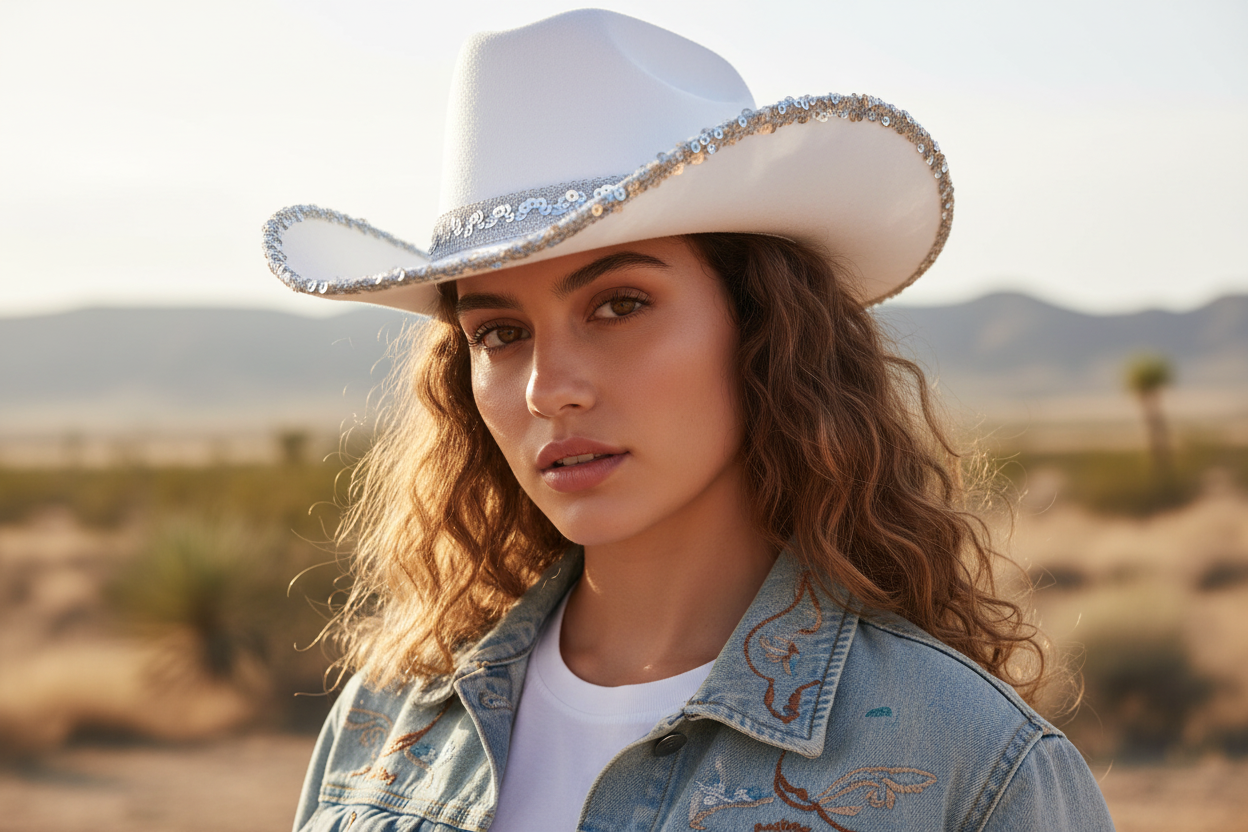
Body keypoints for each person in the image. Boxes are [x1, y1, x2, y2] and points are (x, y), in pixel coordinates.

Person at [262, 9, 1115, 831]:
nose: (547, 390)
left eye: (620, 304)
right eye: (500, 333)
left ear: (764, 328)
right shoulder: (391, 720)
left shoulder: (972, 763)